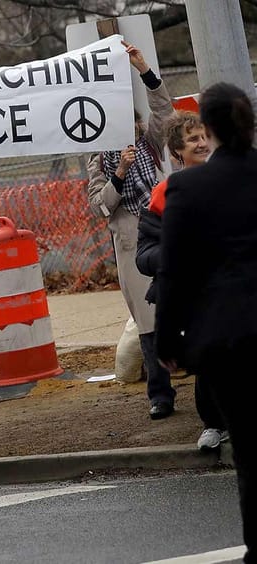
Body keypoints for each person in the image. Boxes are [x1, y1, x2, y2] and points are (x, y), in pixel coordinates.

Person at [155, 82, 257, 563]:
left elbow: (175, 270)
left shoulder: (189, 187)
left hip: (228, 337)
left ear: (209, 129)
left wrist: (169, 338)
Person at [86, 40, 175, 420]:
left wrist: (144, 71)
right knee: (147, 323)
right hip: (131, 246)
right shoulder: (99, 160)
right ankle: (160, 395)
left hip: (164, 234)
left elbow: (165, 110)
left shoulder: (150, 144)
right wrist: (119, 172)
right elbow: (101, 205)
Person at [135, 111, 227, 452]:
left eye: (204, 136)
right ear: (177, 153)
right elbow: (144, 255)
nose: (201, 143)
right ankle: (215, 425)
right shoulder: (165, 195)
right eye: (192, 139)